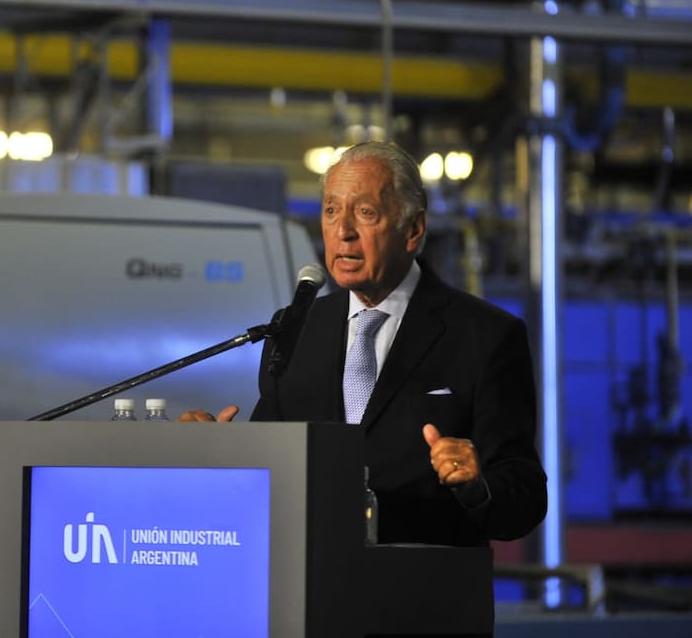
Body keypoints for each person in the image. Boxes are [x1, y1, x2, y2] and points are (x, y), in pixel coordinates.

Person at [182, 141, 547, 547]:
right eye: (331, 211)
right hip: (312, 593)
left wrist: (478, 487)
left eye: (365, 212)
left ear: (413, 230)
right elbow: (270, 471)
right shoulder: (296, 329)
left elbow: (526, 495)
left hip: (424, 595)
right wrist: (217, 456)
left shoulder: (486, 335)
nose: (343, 231)